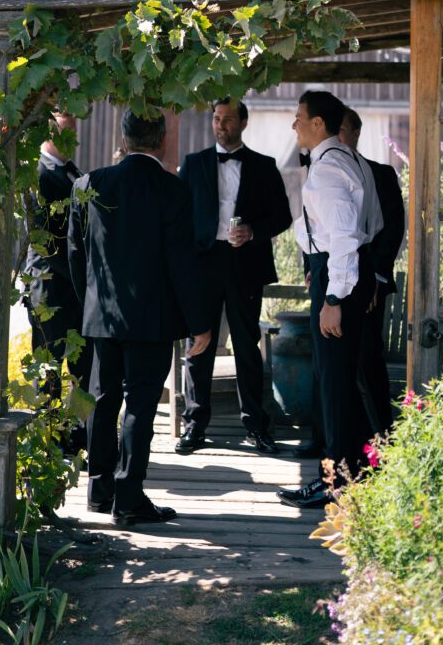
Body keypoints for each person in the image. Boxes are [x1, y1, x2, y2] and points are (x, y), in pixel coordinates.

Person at [68, 110, 211, 526]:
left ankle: (99, 491)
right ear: (162, 141)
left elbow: (76, 254)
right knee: (140, 405)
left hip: (101, 316)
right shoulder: (173, 190)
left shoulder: (87, 184)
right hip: (152, 319)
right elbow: (182, 263)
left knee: (102, 400)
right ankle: (128, 498)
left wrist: (89, 304)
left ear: (124, 140)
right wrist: (199, 323)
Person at [278, 90, 382, 509]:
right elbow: (370, 227)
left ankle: (336, 482)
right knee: (341, 378)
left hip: (338, 278)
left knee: (335, 381)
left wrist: (335, 294)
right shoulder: (353, 160)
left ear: (318, 123)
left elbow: (344, 236)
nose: (294, 125)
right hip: (346, 271)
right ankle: (353, 475)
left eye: (299, 117)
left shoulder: (327, 170)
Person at [175, 98, 292, 456]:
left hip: (245, 264)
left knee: (246, 344)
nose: (220, 125)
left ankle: (256, 426)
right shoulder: (193, 164)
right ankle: (195, 425)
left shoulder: (264, 166)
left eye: (227, 119)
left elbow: (283, 216)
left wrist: (253, 231)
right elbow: (179, 215)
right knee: (200, 343)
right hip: (204, 263)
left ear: (243, 123)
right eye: (216, 118)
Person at [22, 113, 91, 451]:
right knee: (49, 370)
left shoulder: (74, 172)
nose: (72, 139)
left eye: (74, 133)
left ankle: (78, 437)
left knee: (82, 367)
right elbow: (45, 240)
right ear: (48, 133)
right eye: (66, 132)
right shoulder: (37, 175)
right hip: (49, 287)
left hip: (76, 289)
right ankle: (49, 444)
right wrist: (83, 275)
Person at [339, 108, 405, 436]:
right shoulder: (322, 171)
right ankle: (333, 437)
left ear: (356, 134)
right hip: (332, 283)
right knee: (333, 364)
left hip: (371, 284)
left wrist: (376, 278)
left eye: (341, 130)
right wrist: (311, 268)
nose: (336, 138)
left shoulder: (381, 174)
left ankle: (382, 434)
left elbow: (393, 228)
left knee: (367, 357)